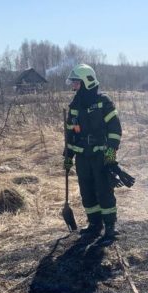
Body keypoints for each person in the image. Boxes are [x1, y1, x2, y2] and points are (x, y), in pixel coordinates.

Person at [63, 64, 123, 245]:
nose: (73, 86)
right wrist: (68, 156)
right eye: (73, 82)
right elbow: (70, 134)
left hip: (101, 157)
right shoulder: (74, 105)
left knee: (104, 190)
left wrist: (110, 157)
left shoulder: (103, 102)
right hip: (82, 158)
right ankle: (94, 224)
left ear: (86, 82)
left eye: (76, 82)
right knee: (87, 191)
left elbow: (115, 131)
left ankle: (110, 226)